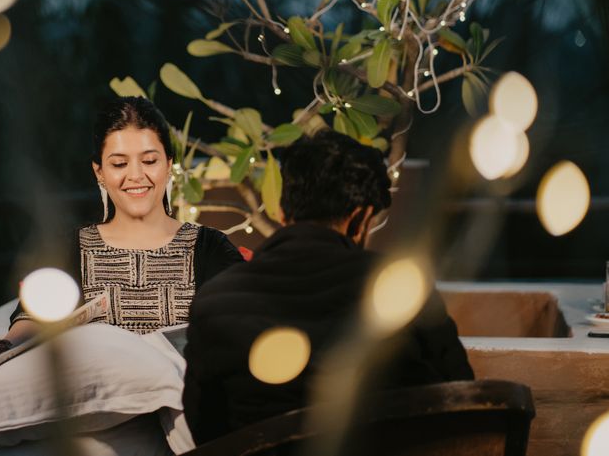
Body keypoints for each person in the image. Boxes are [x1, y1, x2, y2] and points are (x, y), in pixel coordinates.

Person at [182, 130, 473, 445]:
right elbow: (460, 401)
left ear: (282, 210)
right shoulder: (401, 288)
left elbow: (205, 429)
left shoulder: (216, 300)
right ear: (359, 219)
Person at [7, 96, 243, 341]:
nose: (136, 175)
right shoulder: (69, 250)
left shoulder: (210, 248)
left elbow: (243, 331)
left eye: (149, 161)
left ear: (168, 165)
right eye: (119, 164)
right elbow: (25, 332)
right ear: (99, 172)